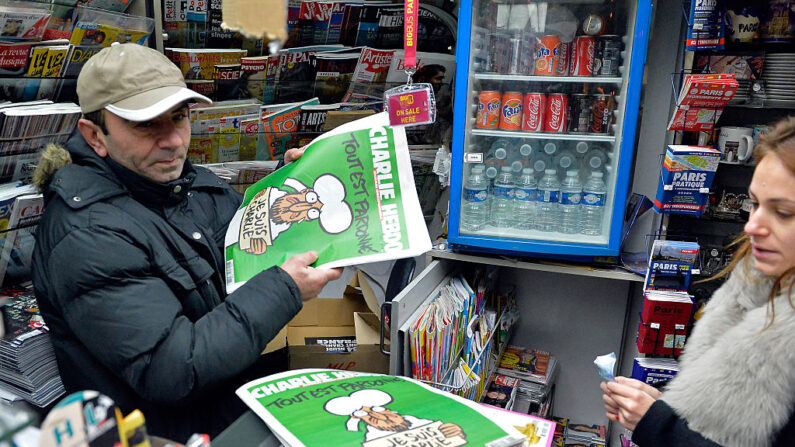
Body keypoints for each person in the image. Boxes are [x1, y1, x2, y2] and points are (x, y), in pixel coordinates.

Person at [31, 43, 341, 441]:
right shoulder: (86, 235)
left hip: (237, 410)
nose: (174, 140)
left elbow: (240, 238)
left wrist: (288, 186)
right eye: (146, 125)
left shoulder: (174, 184)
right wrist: (283, 288)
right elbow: (174, 369)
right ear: (95, 136)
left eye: (179, 117)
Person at [601, 117, 795, 447]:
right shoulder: (755, 286)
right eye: (755, 204)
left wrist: (658, 424)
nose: (752, 227)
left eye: (784, 212)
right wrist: (662, 407)